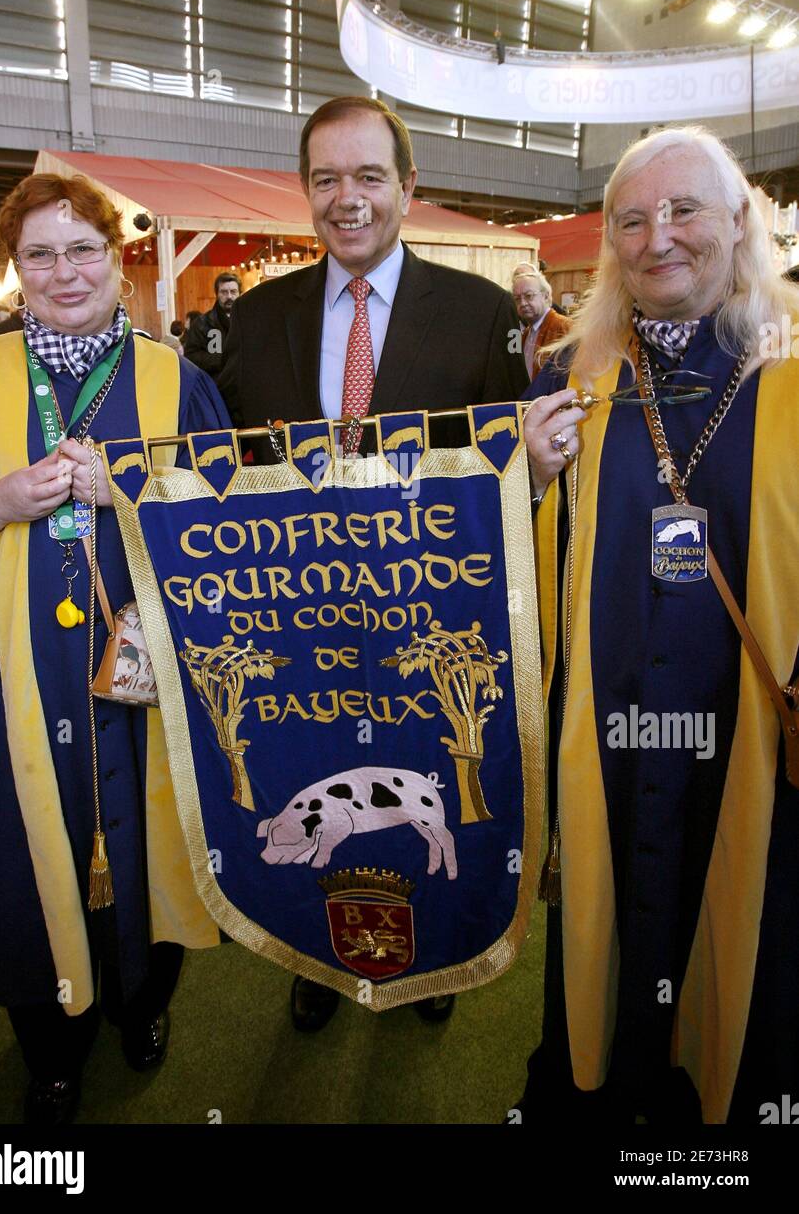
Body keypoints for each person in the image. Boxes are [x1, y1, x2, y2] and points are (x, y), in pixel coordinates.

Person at [221, 94, 528, 1032]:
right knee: (306, 780)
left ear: (408, 186)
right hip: (298, 622)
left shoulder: (482, 317)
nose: (346, 199)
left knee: (414, 785)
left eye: (367, 177)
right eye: (326, 180)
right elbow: (227, 472)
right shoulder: (257, 317)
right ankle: (312, 960)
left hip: (425, 627)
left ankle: (428, 959)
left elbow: (504, 481)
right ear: (304, 190)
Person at [0, 173, 230, 1124]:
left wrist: (139, 496)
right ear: (15, 269)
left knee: (152, 848)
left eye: (84, 249)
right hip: (6, 681)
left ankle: (144, 1005)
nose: (64, 271)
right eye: (40, 254)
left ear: (118, 256)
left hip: (146, 673)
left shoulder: (176, 380)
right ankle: (49, 1046)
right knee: (19, 856)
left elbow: (236, 517)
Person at [519, 126, 799, 1125]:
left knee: (745, 947)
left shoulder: (791, 370)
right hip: (609, 729)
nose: (657, 236)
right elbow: (508, 560)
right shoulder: (566, 375)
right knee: (607, 929)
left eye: (682, 210)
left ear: (737, 223)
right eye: (630, 220)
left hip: (749, 739)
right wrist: (528, 483)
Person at [511, 264, 571, 381]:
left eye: (529, 296)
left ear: (545, 296)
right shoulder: (526, 335)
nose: (523, 303)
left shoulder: (564, 327)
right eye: (517, 298)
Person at [183, 271, 241, 387]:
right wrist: (224, 359)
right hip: (215, 388)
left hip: (243, 388)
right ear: (217, 294)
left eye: (233, 292)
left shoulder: (248, 321)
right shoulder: (201, 323)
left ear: (240, 293)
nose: (229, 296)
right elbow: (191, 356)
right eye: (224, 292)